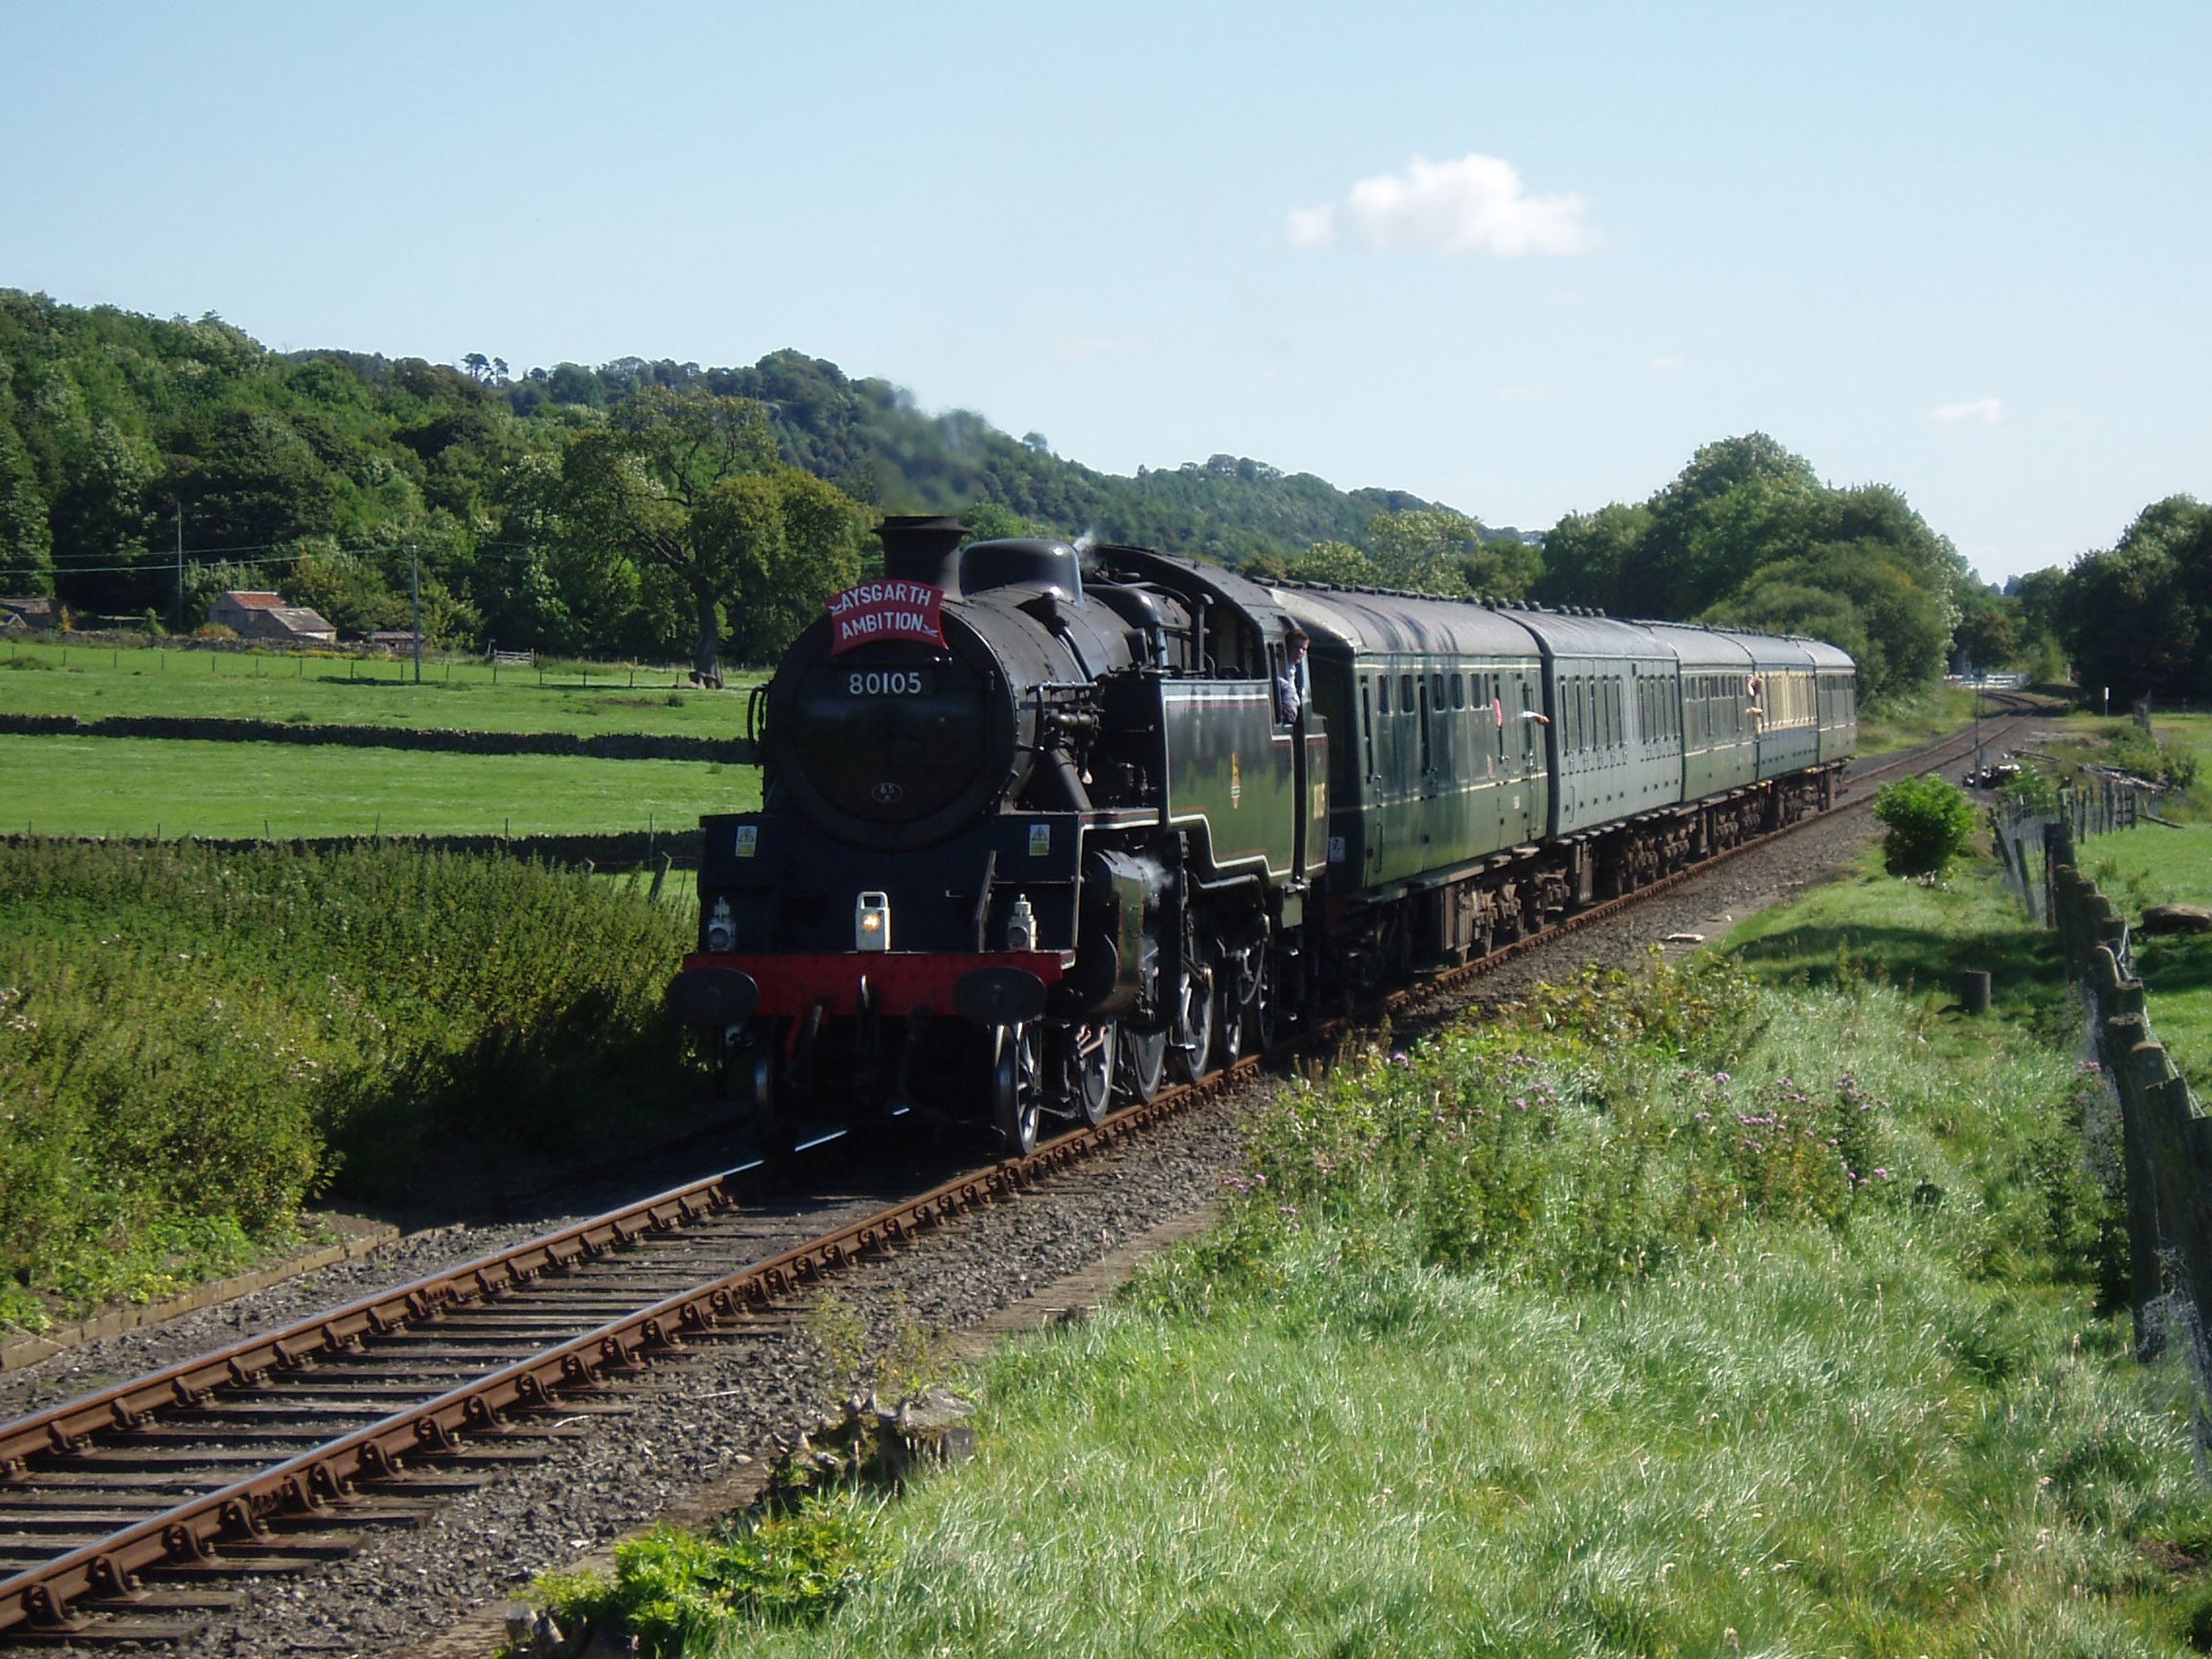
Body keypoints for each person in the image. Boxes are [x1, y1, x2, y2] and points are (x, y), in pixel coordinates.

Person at [1275, 626, 1310, 725]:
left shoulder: (1294, 668)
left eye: (1303, 649)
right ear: (1287, 646)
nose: (1300, 652)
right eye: (1297, 647)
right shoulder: (1278, 665)